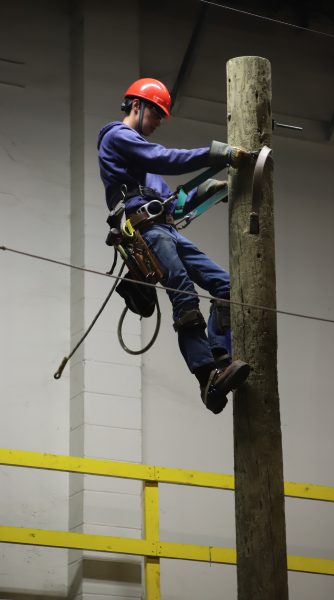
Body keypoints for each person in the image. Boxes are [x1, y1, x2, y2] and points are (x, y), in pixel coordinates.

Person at [97, 77, 251, 414]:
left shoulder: (146, 170)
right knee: (183, 292)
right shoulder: (117, 137)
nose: (156, 123)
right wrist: (215, 154)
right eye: (154, 114)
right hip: (144, 231)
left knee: (226, 286)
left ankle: (219, 356)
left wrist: (203, 191)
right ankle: (206, 377)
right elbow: (166, 158)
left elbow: (172, 204)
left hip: (166, 230)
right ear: (136, 105)